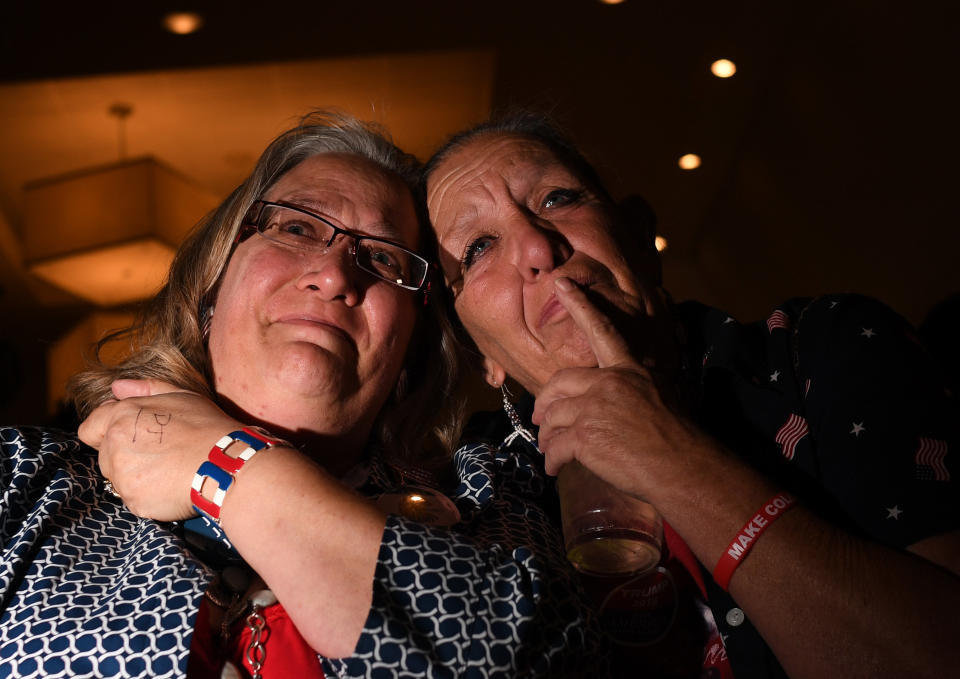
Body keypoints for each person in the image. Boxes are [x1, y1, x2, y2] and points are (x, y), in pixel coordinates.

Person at [0, 111, 597, 677]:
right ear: (211, 288)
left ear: (409, 353)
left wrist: (231, 465)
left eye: (383, 258)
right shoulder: (24, 483)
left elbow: (533, 655)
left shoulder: (489, 498)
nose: (337, 275)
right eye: (297, 227)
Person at [422, 112, 960, 679]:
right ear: (480, 353)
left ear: (639, 240)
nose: (537, 246)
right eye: (479, 246)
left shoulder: (825, 348)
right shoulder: (475, 489)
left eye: (557, 199)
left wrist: (670, 457)